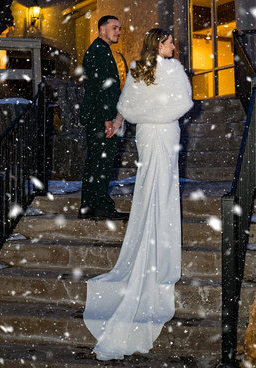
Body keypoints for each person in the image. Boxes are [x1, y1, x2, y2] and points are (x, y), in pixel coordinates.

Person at [83, 28, 193, 361]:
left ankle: (151, 242)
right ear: (159, 44)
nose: (174, 46)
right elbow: (183, 104)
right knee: (160, 190)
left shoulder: (137, 69)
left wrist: (128, 119)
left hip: (146, 134)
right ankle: (159, 251)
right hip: (162, 133)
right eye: (170, 41)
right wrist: (157, 114)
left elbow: (128, 107)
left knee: (150, 190)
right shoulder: (171, 69)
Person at [79, 15, 128, 221]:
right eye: (114, 27)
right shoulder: (99, 51)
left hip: (96, 115)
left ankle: (89, 206)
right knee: (101, 162)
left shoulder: (100, 50)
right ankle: (99, 206)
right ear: (102, 29)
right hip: (101, 117)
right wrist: (108, 117)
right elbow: (101, 87)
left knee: (95, 161)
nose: (118, 31)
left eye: (119, 28)